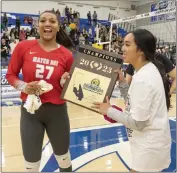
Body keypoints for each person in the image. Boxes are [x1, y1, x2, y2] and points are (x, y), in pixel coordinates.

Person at [92, 29, 171, 172]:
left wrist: (108, 110)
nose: (122, 48)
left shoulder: (143, 78)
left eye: (127, 45)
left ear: (140, 50)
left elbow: (138, 123)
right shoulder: (145, 70)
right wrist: (122, 82)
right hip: (148, 144)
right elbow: (132, 99)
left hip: (148, 148)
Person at [6, 10, 75, 172]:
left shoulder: (67, 55)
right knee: (31, 163)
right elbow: (11, 75)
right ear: (38, 25)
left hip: (57, 112)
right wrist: (24, 87)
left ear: (58, 26)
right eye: (43, 21)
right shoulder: (24, 47)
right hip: (30, 112)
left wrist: (65, 82)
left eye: (52, 21)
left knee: (64, 158)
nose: (47, 24)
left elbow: (71, 86)